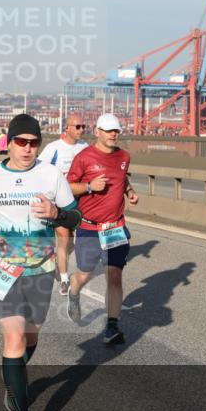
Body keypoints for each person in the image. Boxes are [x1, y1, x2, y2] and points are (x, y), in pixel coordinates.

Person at [0, 114, 80, 411]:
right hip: (3, 267)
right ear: (9, 142)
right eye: (21, 142)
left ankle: (12, 372)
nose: (28, 149)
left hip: (42, 269)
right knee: (15, 340)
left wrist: (57, 212)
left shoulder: (51, 176)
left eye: (34, 143)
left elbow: (76, 218)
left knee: (30, 339)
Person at [65, 113, 139, 344]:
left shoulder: (124, 156)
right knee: (85, 273)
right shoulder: (84, 157)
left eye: (116, 130)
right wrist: (89, 186)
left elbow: (122, 177)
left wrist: (129, 192)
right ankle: (74, 292)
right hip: (89, 226)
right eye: (108, 130)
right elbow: (67, 186)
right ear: (97, 132)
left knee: (114, 275)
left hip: (115, 226)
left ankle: (112, 326)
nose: (113, 134)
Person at [38, 113, 89, 296]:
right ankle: (65, 279)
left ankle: (57, 261)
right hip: (58, 202)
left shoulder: (85, 147)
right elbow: (39, 170)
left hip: (78, 201)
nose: (81, 130)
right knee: (64, 237)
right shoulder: (53, 148)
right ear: (66, 128)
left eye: (83, 126)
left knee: (71, 244)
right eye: (77, 126)